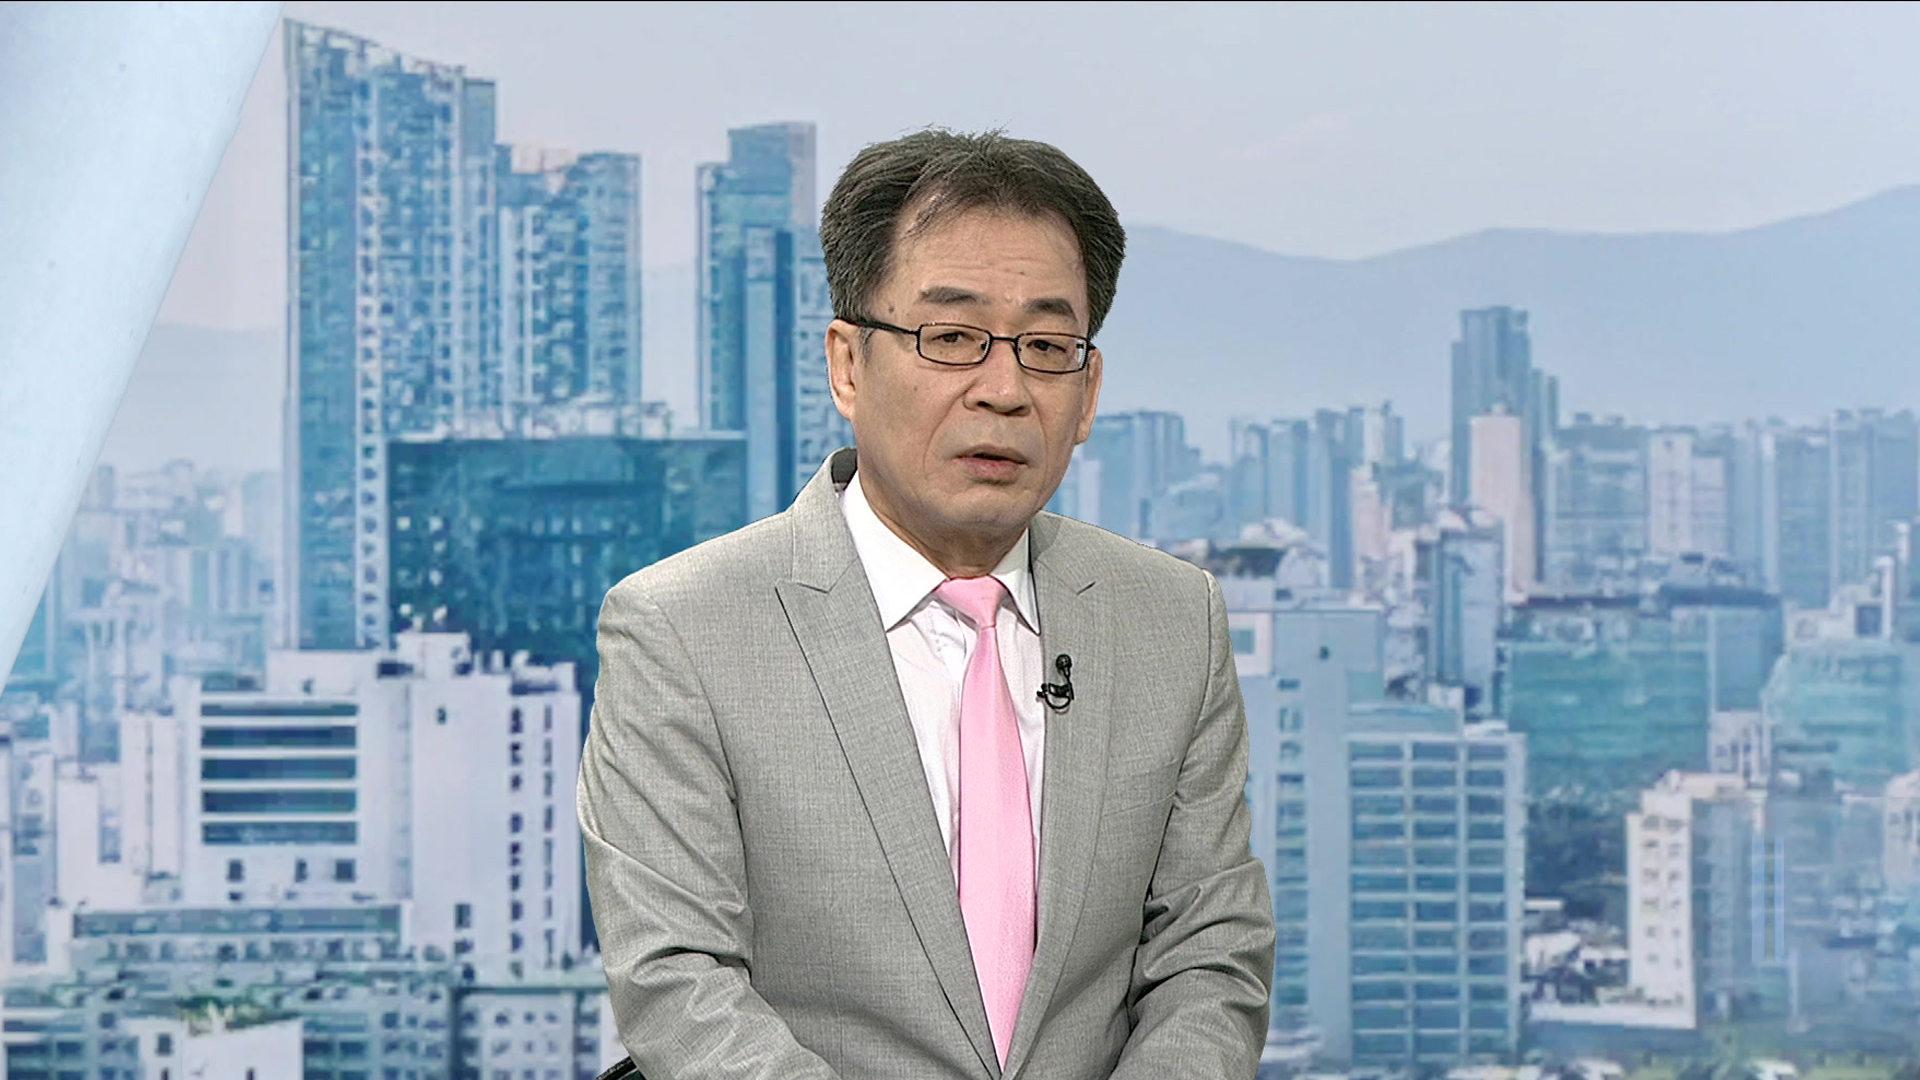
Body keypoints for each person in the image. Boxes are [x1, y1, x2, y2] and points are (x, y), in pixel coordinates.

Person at [578, 127, 1274, 1080]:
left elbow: (1210, 952)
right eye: (951, 339)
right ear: (847, 364)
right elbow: (678, 982)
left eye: (1047, 346)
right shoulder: (683, 628)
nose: (1004, 390)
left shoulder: (1171, 619)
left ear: (1088, 391)